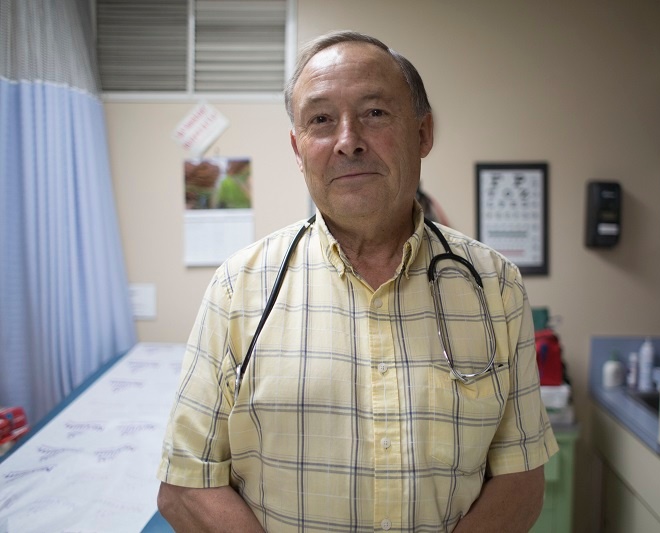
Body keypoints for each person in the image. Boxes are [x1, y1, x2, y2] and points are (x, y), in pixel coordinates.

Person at [156, 30, 558, 533]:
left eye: (375, 113)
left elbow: (522, 480)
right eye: (321, 120)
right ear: (298, 148)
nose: (348, 141)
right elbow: (185, 485)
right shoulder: (239, 289)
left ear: (423, 133)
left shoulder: (495, 288)